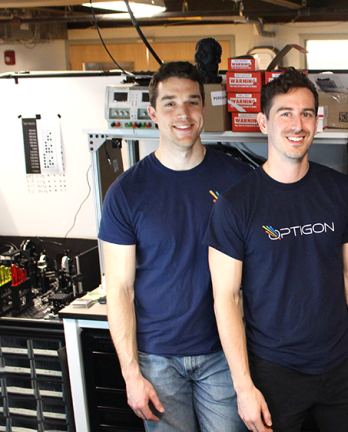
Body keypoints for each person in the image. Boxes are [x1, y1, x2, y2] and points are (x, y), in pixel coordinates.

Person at [204, 68, 348, 432]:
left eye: (306, 114)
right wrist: (243, 386)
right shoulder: (235, 204)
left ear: (319, 121)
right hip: (273, 374)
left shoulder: (341, 191)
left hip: (341, 367)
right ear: (263, 122)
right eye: (285, 113)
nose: (297, 124)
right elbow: (226, 298)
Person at [99, 61, 251, 431]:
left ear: (203, 108)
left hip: (222, 354)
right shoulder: (126, 192)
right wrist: (131, 374)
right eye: (169, 103)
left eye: (192, 102)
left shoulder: (239, 179)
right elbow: (118, 289)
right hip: (157, 359)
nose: (182, 114)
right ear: (152, 113)